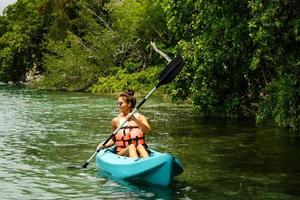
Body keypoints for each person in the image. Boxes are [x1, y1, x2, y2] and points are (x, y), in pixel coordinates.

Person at [96, 90, 151, 158]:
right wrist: (103, 145)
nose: (118, 105)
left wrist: (135, 120)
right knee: (131, 147)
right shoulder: (115, 120)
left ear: (129, 104)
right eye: (117, 103)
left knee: (140, 146)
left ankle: (148, 163)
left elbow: (147, 130)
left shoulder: (140, 118)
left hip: (139, 151)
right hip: (122, 152)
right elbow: (113, 140)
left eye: (120, 103)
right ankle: (136, 164)